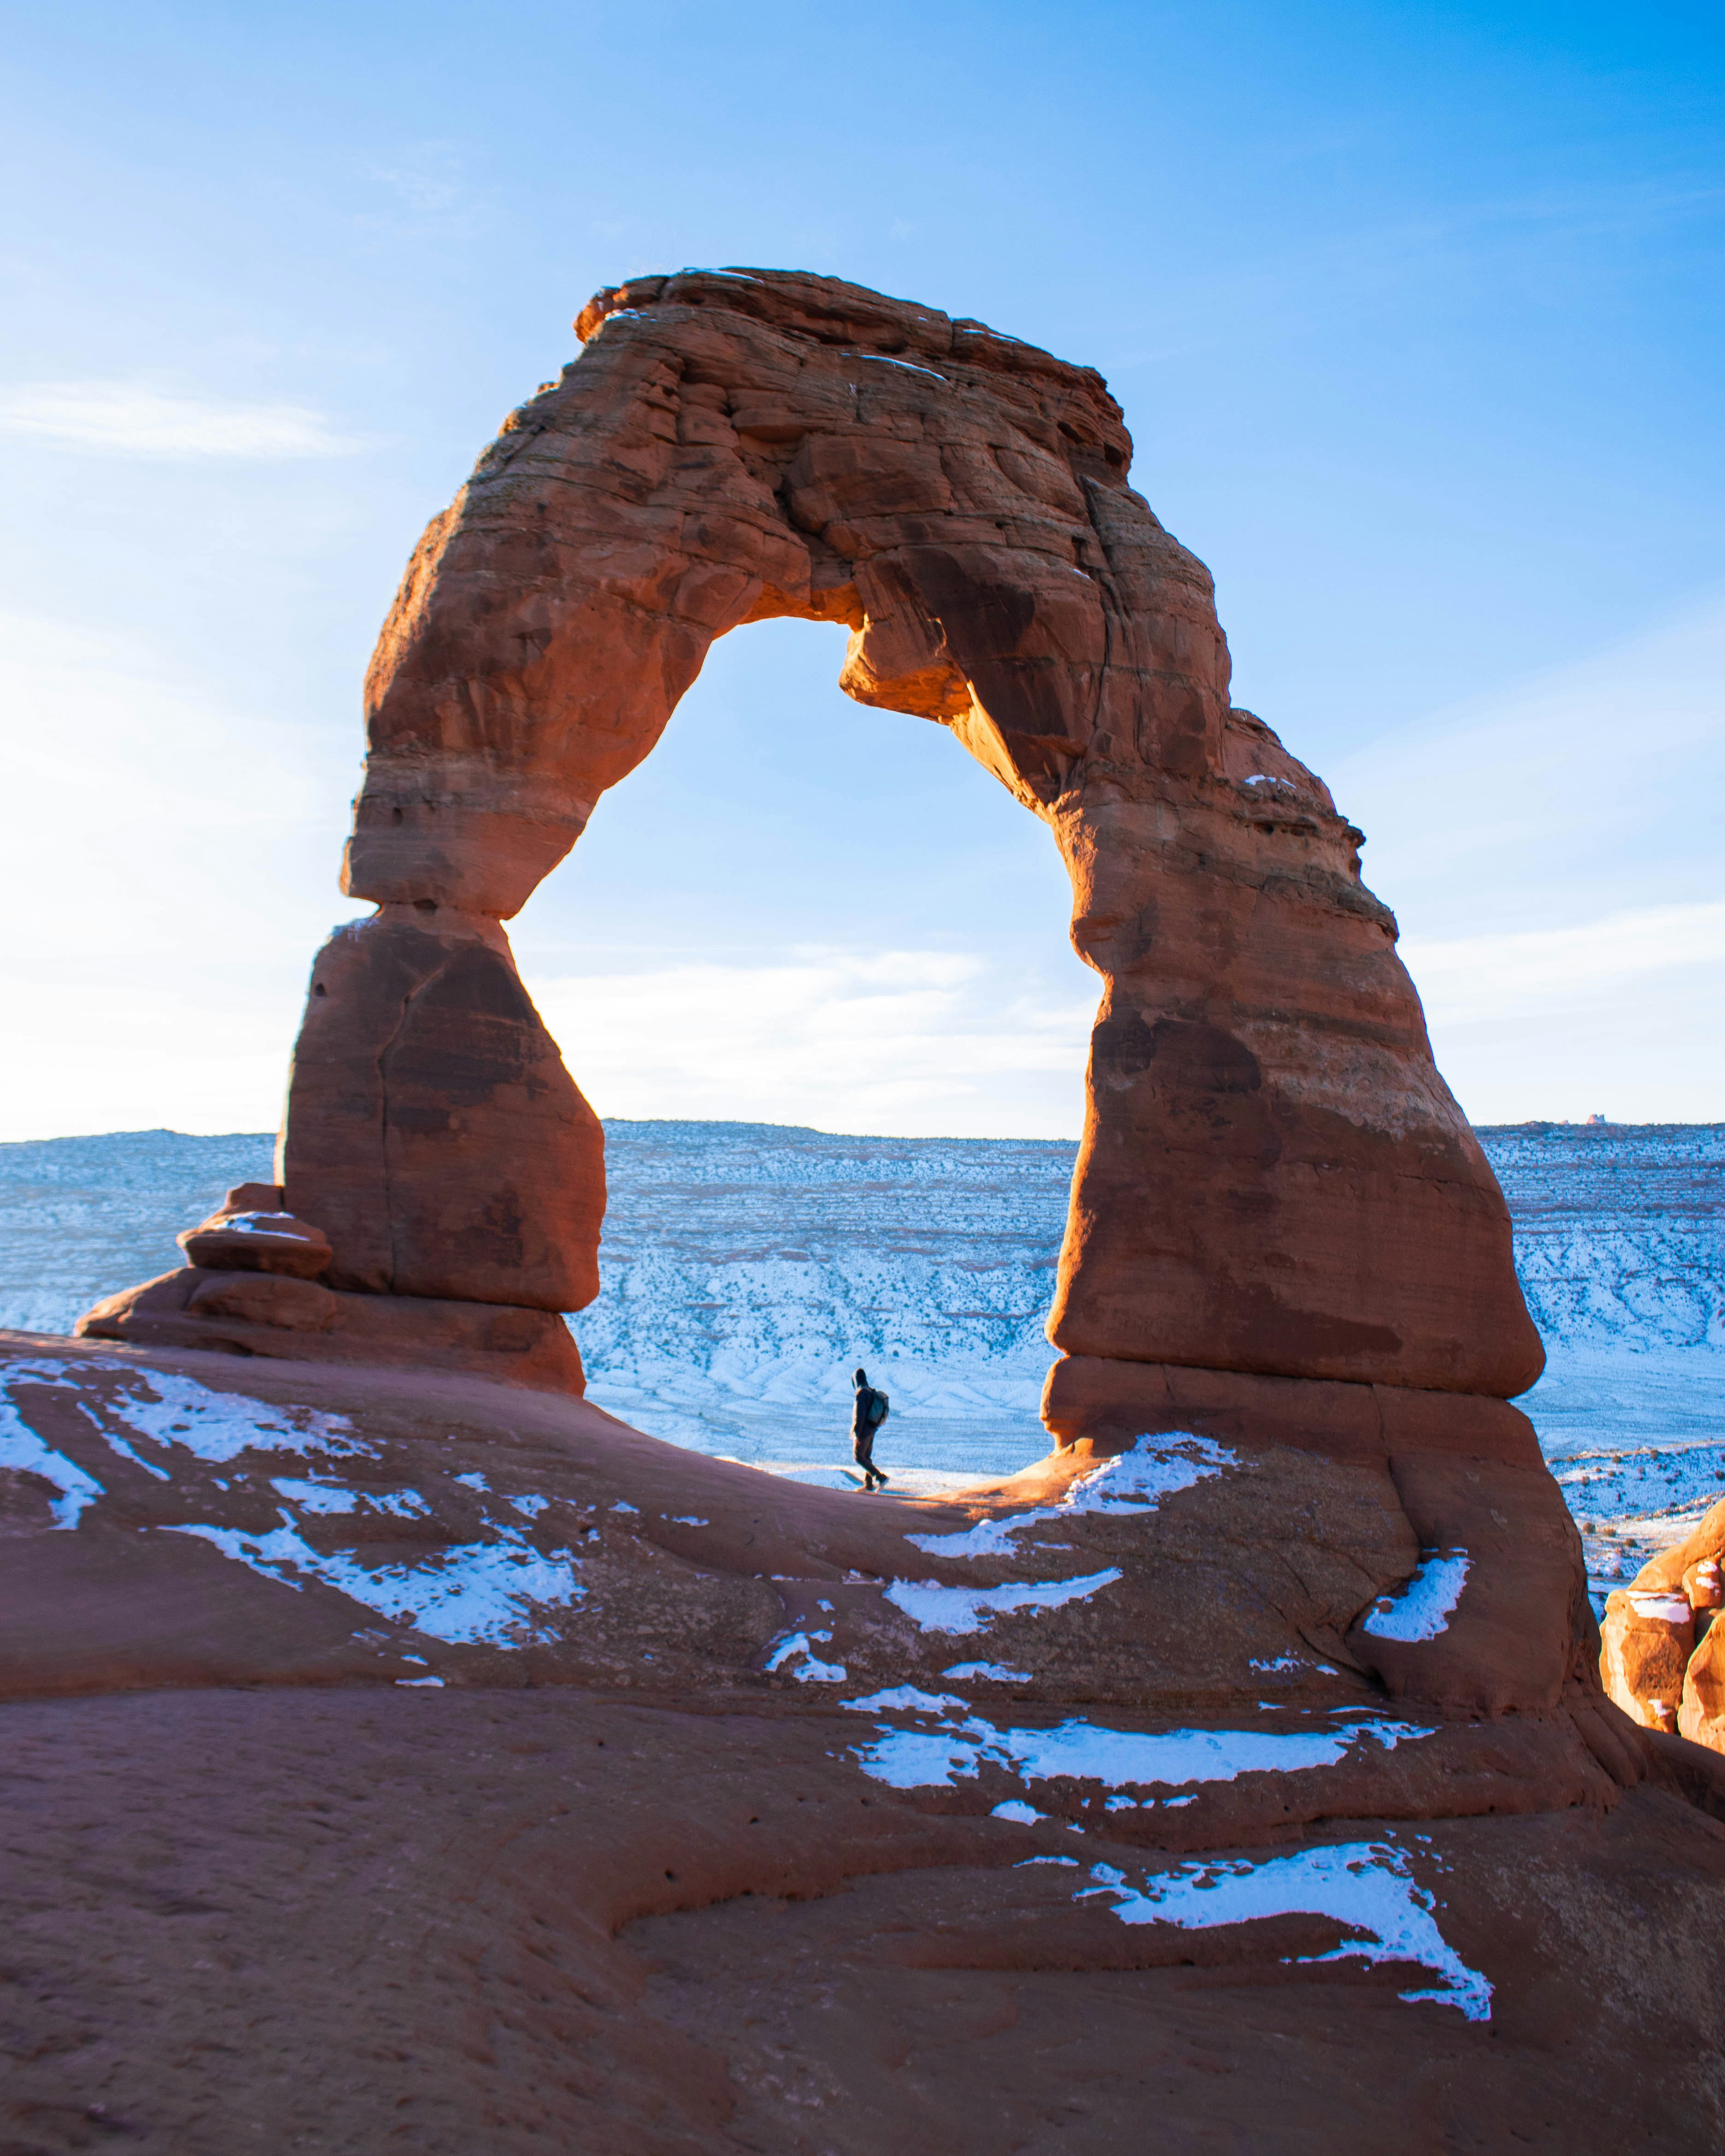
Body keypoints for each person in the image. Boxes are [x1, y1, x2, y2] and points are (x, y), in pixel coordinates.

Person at [850, 1366, 889, 1490]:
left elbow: (859, 1416)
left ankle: (880, 1478)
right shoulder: (870, 1392)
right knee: (866, 1457)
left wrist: (857, 1434)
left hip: (864, 1432)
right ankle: (868, 1486)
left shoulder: (862, 1394)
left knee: (859, 1457)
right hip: (872, 1431)